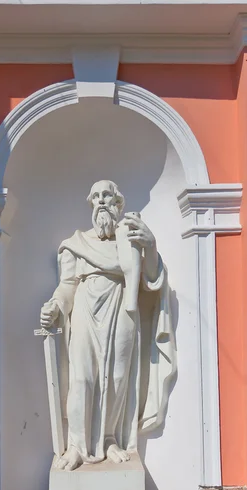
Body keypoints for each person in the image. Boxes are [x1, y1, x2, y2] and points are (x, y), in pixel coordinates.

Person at [40, 180, 176, 471]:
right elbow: (66, 286)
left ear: (118, 204)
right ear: (91, 203)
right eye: (96, 196)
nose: (102, 201)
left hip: (123, 311)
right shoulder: (76, 244)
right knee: (82, 379)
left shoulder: (131, 242)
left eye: (108, 196)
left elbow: (151, 280)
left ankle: (110, 438)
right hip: (86, 312)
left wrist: (150, 247)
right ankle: (77, 445)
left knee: (117, 380)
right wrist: (54, 306)